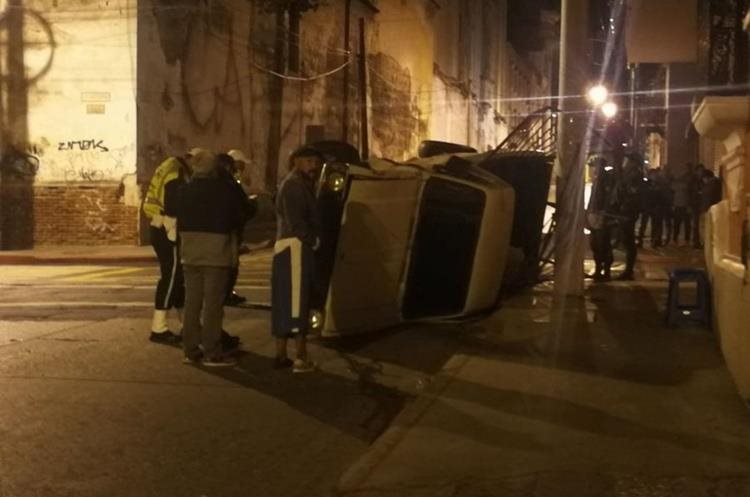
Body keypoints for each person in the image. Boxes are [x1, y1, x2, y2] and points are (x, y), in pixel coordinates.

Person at [176, 150, 246, 366]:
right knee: (213, 305)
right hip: (217, 251)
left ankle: (190, 349)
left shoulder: (185, 190)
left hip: (190, 251)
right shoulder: (225, 190)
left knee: (192, 303)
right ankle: (212, 351)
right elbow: (241, 213)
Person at [271, 146, 322, 373]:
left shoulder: (296, 183)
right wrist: (313, 240)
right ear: (297, 162)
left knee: (286, 300)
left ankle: (281, 354)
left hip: (290, 247)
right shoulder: (294, 185)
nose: (314, 166)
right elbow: (296, 222)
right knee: (297, 302)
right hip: (295, 248)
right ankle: (300, 357)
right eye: (309, 162)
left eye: (315, 162)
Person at [143, 148, 195, 343]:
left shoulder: (169, 165)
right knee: (171, 277)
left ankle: (186, 324)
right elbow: (173, 204)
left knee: (177, 276)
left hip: (160, 226)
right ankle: (158, 328)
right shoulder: (176, 172)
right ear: (191, 161)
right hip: (167, 228)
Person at [216, 151, 254, 308]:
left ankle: (225, 293)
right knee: (230, 265)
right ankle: (225, 294)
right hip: (229, 231)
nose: (243, 167)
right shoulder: (228, 182)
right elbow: (241, 204)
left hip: (222, 231)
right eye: (240, 164)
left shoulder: (222, 180)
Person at [586, 159, 618, 281]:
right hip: (595, 214)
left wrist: (605, 213)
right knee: (595, 244)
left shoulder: (606, 180)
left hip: (602, 215)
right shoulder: (598, 179)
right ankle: (599, 269)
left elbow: (609, 198)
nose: (594, 168)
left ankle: (605, 271)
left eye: (596, 166)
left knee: (603, 244)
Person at [615, 154, 644, 280]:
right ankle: (628, 269)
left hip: (629, 211)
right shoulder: (629, 174)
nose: (626, 162)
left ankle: (629, 270)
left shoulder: (635, 175)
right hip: (625, 210)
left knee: (629, 241)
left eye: (629, 160)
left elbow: (632, 193)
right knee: (626, 241)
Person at [670, 167, 692, 245]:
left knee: (684, 224)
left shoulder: (686, 186)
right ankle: (677, 239)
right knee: (678, 224)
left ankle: (683, 239)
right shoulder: (679, 185)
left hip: (683, 206)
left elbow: (689, 196)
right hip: (679, 206)